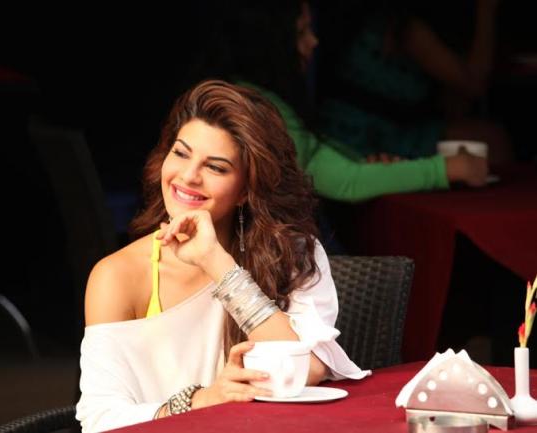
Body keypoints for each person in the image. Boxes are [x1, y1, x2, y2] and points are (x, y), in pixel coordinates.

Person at [75, 80, 369, 432]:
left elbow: (309, 367)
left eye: (215, 167)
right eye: (181, 153)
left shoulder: (292, 254)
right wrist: (203, 400)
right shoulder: (118, 275)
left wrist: (217, 264)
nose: (188, 176)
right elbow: (100, 420)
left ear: (246, 189)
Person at [192, 0, 489, 203]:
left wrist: (363, 163)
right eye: (301, 32)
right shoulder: (254, 110)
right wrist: (445, 169)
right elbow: (345, 182)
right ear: (269, 42)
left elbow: (317, 154)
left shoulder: (258, 97)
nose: (313, 41)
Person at [316, 0, 513, 163]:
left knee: (482, 134)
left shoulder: (389, 18)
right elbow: (475, 84)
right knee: (492, 139)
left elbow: (454, 101)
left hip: (374, 127)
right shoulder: (405, 27)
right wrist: (486, 10)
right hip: (363, 137)